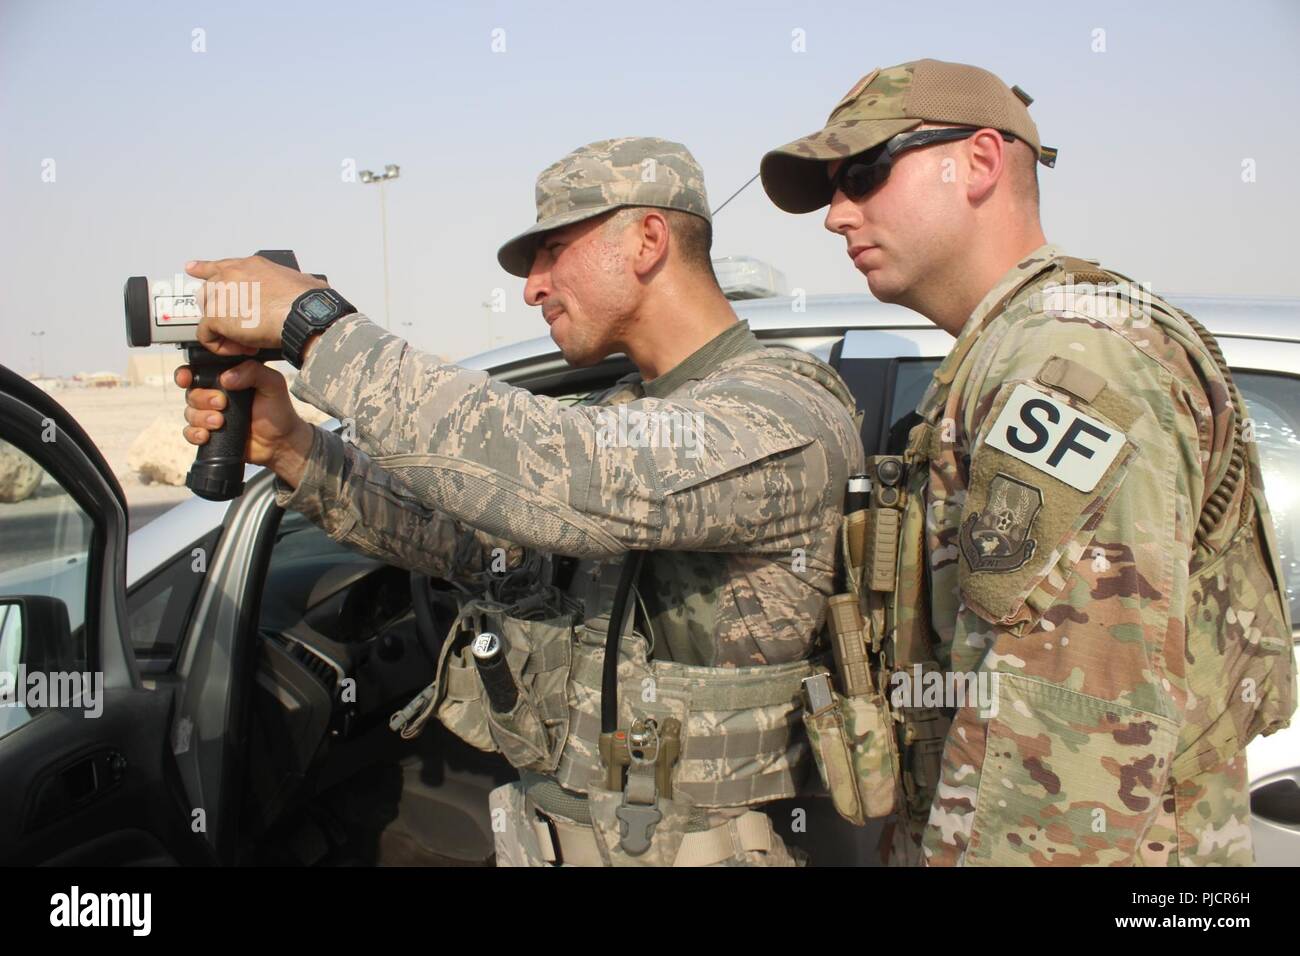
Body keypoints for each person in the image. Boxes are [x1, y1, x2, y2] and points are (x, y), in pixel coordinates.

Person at [176, 136, 866, 866]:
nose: (532, 287)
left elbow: (563, 475)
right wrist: (294, 449)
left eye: (552, 251)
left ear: (648, 240)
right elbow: (474, 540)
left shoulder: (777, 411)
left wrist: (315, 324)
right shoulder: (626, 411)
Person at [760, 58, 1295, 865]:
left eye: (863, 175)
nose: (837, 215)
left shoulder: (1070, 358)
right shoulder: (1007, 354)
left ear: (978, 162)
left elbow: (1063, 732)